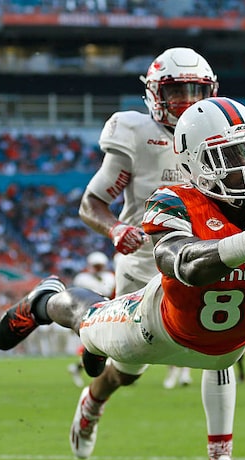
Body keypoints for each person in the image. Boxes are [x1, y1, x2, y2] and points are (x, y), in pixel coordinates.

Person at [0, 96, 245, 460]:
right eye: (228, 156)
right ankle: (45, 301)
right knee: (94, 328)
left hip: (223, 339)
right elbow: (182, 264)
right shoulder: (174, 200)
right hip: (158, 323)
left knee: (221, 357)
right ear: (195, 165)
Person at [78, 47, 216, 393]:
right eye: (176, 91)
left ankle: (220, 449)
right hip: (143, 260)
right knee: (128, 370)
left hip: (198, 256)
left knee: (220, 346)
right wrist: (116, 228)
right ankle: (93, 393)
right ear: (156, 93)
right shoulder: (136, 131)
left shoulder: (218, 132)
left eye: (195, 91)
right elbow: (92, 203)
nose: (186, 100)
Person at [68, 251, 116, 387]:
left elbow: (109, 293)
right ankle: (101, 372)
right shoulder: (82, 278)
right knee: (96, 344)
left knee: (103, 345)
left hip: (106, 313)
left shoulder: (109, 276)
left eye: (100, 265)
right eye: (96, 266)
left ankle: (79, 368)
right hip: (88, 314)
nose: (98, 268)